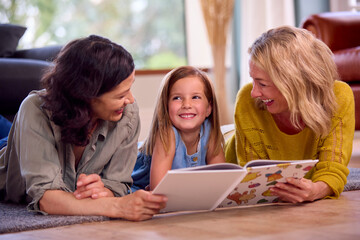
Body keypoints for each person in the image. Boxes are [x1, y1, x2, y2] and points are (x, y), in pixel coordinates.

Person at [0, 35, 167, 221]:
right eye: (120, 95)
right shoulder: (34, 109)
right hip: (13, 150)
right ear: (86, 96)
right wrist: (118, 207)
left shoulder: (127, 113)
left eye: (129, 88)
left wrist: (102, 191)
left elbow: (118, 185)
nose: (131, 99)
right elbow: (46, 199)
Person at [225, 26, 355, 203]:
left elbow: (333, 168)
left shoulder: (339, 96)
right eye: (253, 80)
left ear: (294, 83)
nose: (254, 93)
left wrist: (316, 190)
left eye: (262, 84)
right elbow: (254, 182)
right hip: (220, 151)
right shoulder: (247, 100)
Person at [131, 66, 225, 191]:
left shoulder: (210, 131)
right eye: (177, 98)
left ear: (209, 108)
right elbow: (159, 189)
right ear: (166, 106)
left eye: (195, 97)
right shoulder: (167, 134)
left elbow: (222, 179)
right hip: (136, 186)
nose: (187, 105)